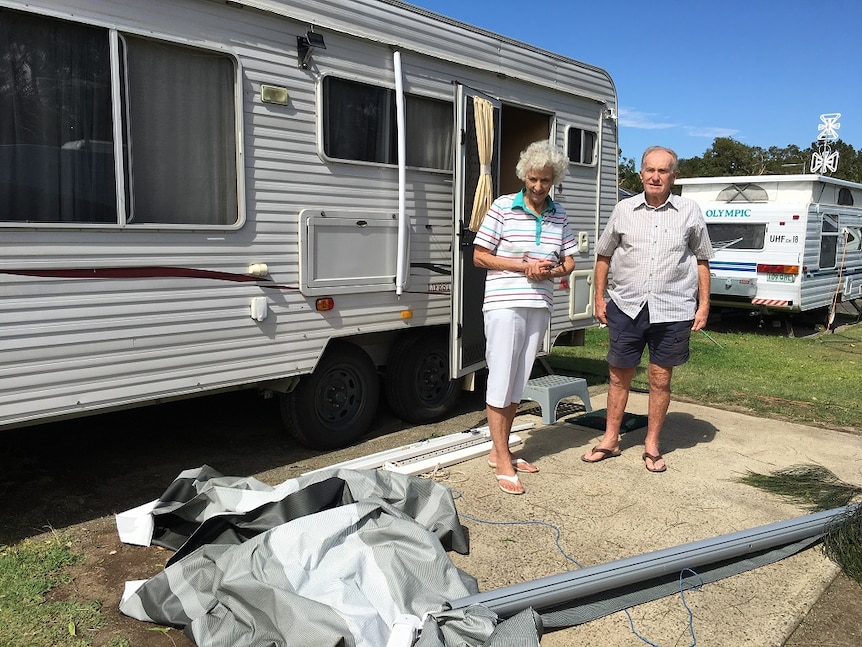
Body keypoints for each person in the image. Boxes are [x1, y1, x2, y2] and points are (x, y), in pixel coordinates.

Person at [581, 146, 713, 472]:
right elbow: (603, 256)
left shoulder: (689, 211)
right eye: (650, 170)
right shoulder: (624, 209)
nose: (656, 177)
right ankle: (611, 440)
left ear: (674, 176)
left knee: (660, 379)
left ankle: (651, 444)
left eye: (663, 171)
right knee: (618, 377)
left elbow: (702, 260)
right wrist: (599, 299)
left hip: (673, 310)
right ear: (641, 174)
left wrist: (704, 305)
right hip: (626, 306)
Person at [473, 140, 576, 494]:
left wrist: (554, 270)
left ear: (554, 180)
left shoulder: (559, 213)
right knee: (501, 376)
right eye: (533, 179)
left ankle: (498, 450)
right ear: (524, 176)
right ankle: (502, 456)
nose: (537, 186)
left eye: (545, 180)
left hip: (539, 303)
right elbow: (481, 256)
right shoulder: (502, 207)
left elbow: (570, 260)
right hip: (504, 303)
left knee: (519, 378)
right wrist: (523, 266)